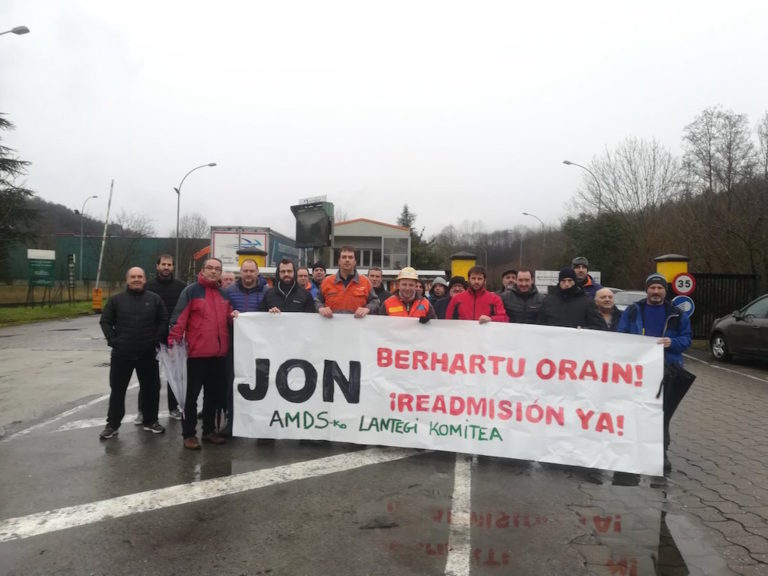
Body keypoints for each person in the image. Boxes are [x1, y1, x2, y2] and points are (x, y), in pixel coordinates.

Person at [617, 273, 692, 472]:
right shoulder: (634, 311)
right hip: (637, 371)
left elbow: (687, 340)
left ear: (665, 291)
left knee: (662, 414)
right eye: (652, 288)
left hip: (667, 370)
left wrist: (672, 343)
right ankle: (632, 451)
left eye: (659, 288)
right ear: (647, 289)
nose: (656, 291)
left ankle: (661, 453)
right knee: (636, 411)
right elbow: (621, 335)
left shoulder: (676, 314)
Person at [169, 257, 235, 450]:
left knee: (213, 396)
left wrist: (235, 317)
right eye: (210, 268)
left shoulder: (223, 294)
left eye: (217, 269)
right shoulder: (191, 291)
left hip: (218, 354)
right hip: (195, 355)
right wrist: (173, 345)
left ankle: (208, 431)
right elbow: (178, 320)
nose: (214, 272)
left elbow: (229, 318)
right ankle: (188, 434)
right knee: (190, 397)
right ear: (203, 270)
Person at [99, 267, 167, 439]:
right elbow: (105, 321)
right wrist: (113, 341)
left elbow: (163, 321)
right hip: (122, 354)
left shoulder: (154, 299)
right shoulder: (116, 300)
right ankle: (112, 425)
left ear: (145, 279)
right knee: (117, 390)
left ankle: (151, 421)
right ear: (127, 279)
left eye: (140, 276)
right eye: (133, 277)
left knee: (151, 389)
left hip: (147, 354)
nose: (136, 279)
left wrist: (155, 340)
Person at [144, 254, 186, 421]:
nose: (166, 267)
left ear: (173, 267)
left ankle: (174, 407)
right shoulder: (148, 286)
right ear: (157, 266)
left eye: (169, 264)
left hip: (174, 337)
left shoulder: (182, 287)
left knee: (174, 376)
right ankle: (143, 410)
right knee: (149, 377)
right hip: (152, 337)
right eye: (164, 264)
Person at [316, 246, 379, 318]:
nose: (347, 260)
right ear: (339, 261)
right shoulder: (327, 281)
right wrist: (321, 308)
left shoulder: (365, 282)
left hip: (357, 326)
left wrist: (368, 308)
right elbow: (317, 300)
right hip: (332, 326)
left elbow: (375, 301)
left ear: (355, 261)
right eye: (344, 257)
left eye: (350, 257)